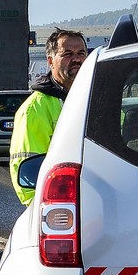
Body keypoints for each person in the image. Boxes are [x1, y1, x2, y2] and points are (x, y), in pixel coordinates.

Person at [9, 28, 90, 204]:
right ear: (50, 61)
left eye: (81, 53)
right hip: (62, 207)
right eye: (67, 54)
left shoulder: (98, 99)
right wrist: (44, 210)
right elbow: (28, 177)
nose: (76, 59)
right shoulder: (34, 109)